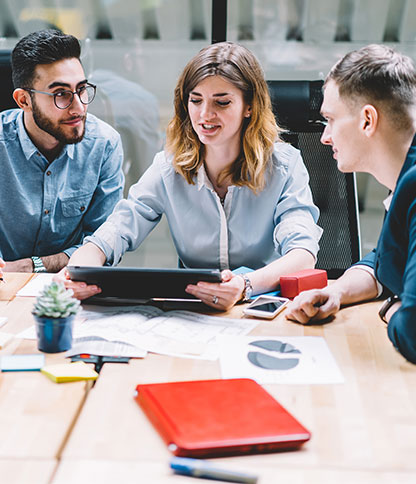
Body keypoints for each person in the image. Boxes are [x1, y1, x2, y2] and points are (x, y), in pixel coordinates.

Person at [63, 41, 322, 309]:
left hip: (263, 306)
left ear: (250, 107)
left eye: (221, 102)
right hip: (196, 313)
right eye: (196, 100)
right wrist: (79, 270)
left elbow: (303, 254)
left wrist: (245, 286)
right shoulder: (168, 167)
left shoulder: (284, 165)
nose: (205, 115)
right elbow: (118, 228)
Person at [285, 44, 416, 364]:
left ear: (368, 120)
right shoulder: (404, 180)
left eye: (329, 120)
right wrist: (339, 292)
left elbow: (413, 332)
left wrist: (393, 308)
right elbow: (386, 257)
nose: (324, 137)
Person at [0, 29, 124, 273]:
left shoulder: (104, 144)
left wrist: (32, 266)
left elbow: (104, 244)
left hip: (72, 285)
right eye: (60, 94)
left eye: (81, 89)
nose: (78, 107)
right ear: (24, 100)